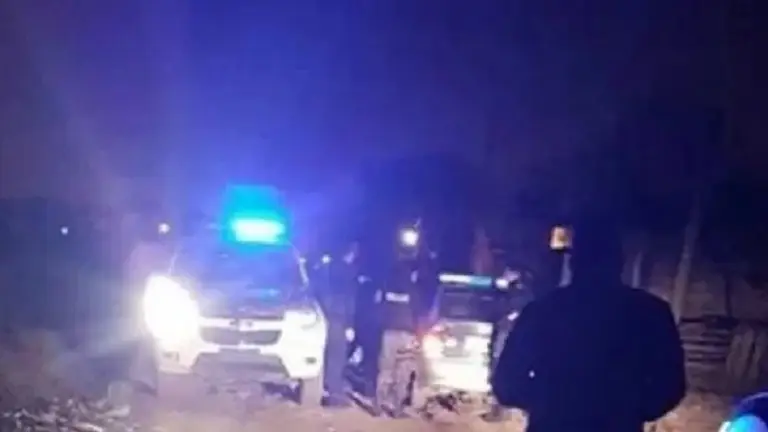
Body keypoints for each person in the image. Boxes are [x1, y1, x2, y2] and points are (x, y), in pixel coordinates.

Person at [491, 217, 686, 431]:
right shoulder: (650, 313)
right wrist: (629, 409)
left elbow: (506, 384)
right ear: (619, 262)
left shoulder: (542, 311)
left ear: (574, 262)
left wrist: (547, 402)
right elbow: (671, 386)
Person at [320, 242, 359, 408]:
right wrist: (350, 324)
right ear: (351, 253)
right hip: (339, 318)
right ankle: (334, 395)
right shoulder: (347, 273)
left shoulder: (327, 269)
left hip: (325, 316)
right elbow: (349, 299)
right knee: (338, 356)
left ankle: (327, 388)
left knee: (329, 354)